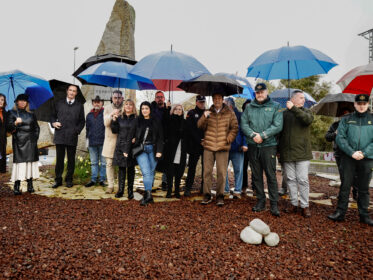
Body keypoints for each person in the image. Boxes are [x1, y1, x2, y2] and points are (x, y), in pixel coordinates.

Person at [328, 94, 373, 226]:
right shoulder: (346, 119)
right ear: (354, 104)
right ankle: (340, 213)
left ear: (368, 104)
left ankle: (364, 215)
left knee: (364, 188)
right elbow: (340, 138)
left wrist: (364, 153)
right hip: (348, 158)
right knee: (345, 186)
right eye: (359, 104)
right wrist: (352, 152)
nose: (361, 106)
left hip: (367, 158)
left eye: (364, 104)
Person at [241, 83, 283, 216]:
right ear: (255, 93)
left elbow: (278, 125)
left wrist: (263, 135)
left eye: (262, 92)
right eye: (257, 92)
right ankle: (260, 201)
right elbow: (244, 124)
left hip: (268, 146)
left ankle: (274, 204)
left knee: (271, 175)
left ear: (267, 92)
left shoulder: (275, 106)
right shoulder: (249, 107)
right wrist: (253, 135)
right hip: (253, 145)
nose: (259, 94)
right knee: (256, 175)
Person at [198, 93, 238, 206]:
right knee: (207, 172)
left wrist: (228, 139)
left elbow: (235, 128)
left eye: (219, 98)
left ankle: (220, 196)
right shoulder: (208, 112)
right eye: (215, 98)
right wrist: (204, 116)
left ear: (222, 99)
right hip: (209, 146)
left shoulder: (230, 113)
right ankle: (207, 195)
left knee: (221, 172)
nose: (217, 100)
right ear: (212, 99)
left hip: (222, 147)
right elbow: (200, 126)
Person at [279, 90, 314, 217]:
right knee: (290, 180)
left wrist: (293, 108)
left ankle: (305, 206)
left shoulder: (306, 112)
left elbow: (307, 121)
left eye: (304, 98)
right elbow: (279, 133)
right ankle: (294, 203)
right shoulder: (284, 114)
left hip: (302, 153)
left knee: (303, 180)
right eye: (300, 98)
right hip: (287, 153)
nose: (303, 100)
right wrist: (278, 151)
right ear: (292, 99)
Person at [51, 84, 85, 188]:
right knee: (59, 159)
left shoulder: (79, 105)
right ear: (67, 91)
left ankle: (69, 180)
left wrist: (76, 131)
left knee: (71, 160)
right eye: (70, 90)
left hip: (72, 137)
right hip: (60, 135)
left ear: (76, 93)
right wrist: (53, 123)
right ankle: (58, 180)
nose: (71, 92)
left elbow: (82, 121)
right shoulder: (59, 103)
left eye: (74, 91)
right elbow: (52, 116)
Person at [7, 94, 40, 194]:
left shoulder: (31, 114)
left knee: (29, 163)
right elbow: (8, 128)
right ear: (17, 102)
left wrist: (34, 139)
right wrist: (15, 124)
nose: (22, 102)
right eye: (20, 101)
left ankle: (30, 185)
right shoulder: (11, 113)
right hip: (19, 142)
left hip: (31, 141)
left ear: (27, 103)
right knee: (20, 164)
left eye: (24, 101)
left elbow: (37, 128)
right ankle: (17, 186)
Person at [134, 101, 163, 206]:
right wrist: (134, 139)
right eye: (142, 109)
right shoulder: (137, 121)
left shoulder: (156, 121)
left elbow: (160, 137)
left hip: (153, 149)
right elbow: (133, 133)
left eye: (146, 108)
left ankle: (148, 195)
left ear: (150, 110)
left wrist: (159, 151)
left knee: (150, 172)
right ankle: (149, 195)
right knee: (146, 172)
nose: (144, 110)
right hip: (141, 149)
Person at [325, 108, 358, 200]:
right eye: (343, 115)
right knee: (343, 175)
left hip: (352, 153)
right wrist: (335, 133)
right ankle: (343, 195)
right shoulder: (335, 125)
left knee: (355, 175)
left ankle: (356, 194)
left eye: (347, 115)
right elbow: (327, 137)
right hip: (339, 153)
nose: (345, 117)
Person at [111, 99, 137, 199]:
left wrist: (136, 138)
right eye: (126, 104)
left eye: (130, 105)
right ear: (124, 106)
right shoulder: (120, 117)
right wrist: (114, 120)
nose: (128, 106)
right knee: (121, 168)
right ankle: (120, 190)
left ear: (133, 107)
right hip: (120, 145)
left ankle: (130, 191)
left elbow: (139, 131)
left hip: (131, 146)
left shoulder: (136, 118)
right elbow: (114, 131)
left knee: (131, 169)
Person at [224, 97, 247, 199]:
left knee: (238, 170)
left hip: (237, 147)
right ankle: (225, 190)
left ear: (230, 106)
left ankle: (237, 190)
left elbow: (244, 131)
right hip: (224, 147)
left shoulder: (241, 116)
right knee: (222, 170)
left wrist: (245, 143)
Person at [102, 90, 124, 194]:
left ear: (122, 98)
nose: (117, 100)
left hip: (121, 141)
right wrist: (111, 115)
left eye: (119, 98)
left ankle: (121, 186)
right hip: (110, 140)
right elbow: (106, 123)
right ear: (112, 98)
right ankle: (110, 185)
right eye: (115, 97)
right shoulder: (107, 108)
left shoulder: (125, 107)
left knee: (121, 165)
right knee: (109, 164)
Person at [163, 104, 187, 198]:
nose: (178, 110)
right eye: (176, 109)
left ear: (182, 111)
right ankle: (169, 190)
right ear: (173, 110)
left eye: (180, 109)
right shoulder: (169, 120)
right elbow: (164, 124)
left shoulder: (184, 122)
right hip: (171, 149)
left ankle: (177, 190)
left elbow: (187, 134)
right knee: (170, 171)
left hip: (181, 149)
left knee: (179, 171)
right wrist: (167, 108)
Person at [184, 95, 206, 196]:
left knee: (206, 167)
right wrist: (199, 140)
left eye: (203, 102)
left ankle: (204, 187)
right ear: (196, 102)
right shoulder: (191, 113)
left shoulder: (208, 113)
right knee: (192, 167)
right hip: (194, 145)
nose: (202, 104)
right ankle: (188, 187)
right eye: (200, 102)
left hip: (206, 144)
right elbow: (190, 129)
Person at [151, 90, 171, 191]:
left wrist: (168, 109)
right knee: (153, 161)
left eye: (161, 97)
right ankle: (150, 182)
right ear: (155, 99)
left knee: (166, 163)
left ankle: (165, 182)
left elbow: (169, 122)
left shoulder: (168, 109)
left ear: (164, 98)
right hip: (154, 139)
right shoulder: (151, 109)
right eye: (158, 97)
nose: (159, 98)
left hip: (165, 139)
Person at [85, 96, 106, 187]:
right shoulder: (89, 115)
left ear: (102, 103)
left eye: (99, 102)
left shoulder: (105, 113)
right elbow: (87, 129)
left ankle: (102, 180)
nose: (97, 103)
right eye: (95, 102)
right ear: (93, 103)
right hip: (92, 142)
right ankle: (93, 180)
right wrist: (87, 141)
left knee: (104, 163)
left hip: (103, 142)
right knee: (94, 162)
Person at [0, 93, 8, 173]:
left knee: (2, 159)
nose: (0, 101)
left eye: (2, 100)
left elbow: (8, 128)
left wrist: (15, 123)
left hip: (2, 140)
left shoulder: (6, 113)